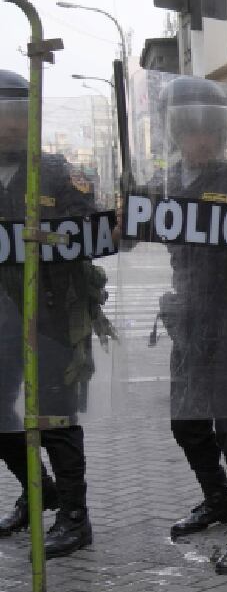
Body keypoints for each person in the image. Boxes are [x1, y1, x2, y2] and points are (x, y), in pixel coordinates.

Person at [154, 77, 227, 574]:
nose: (198, 140)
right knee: (187, 423)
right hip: (189, 317)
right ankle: (216, 499)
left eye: (207, 132)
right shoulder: (164, 183)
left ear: (221, 135)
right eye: (188, 131)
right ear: (175, 133)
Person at [0, 70, 110, 557]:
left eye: (19, 116)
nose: (10, 127)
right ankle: (37, 492)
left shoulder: (57, 172)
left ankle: (74, 517)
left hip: (49, 314)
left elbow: (92, 230)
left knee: (55, 416)